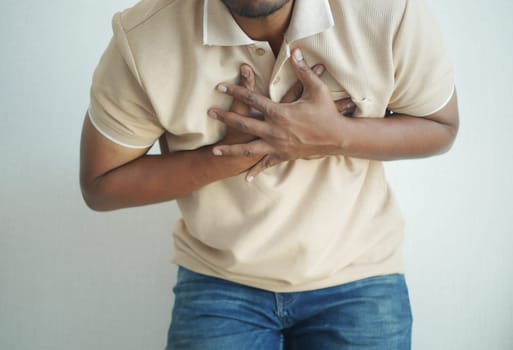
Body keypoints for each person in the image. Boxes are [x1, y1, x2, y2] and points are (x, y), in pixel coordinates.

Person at [80, 0, 459, 348]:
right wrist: (233, 154)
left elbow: (440, 126)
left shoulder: (388, 10)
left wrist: (333, 136)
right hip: (220, 278)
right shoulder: (144, 38)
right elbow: (101, 184)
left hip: (359, 272)